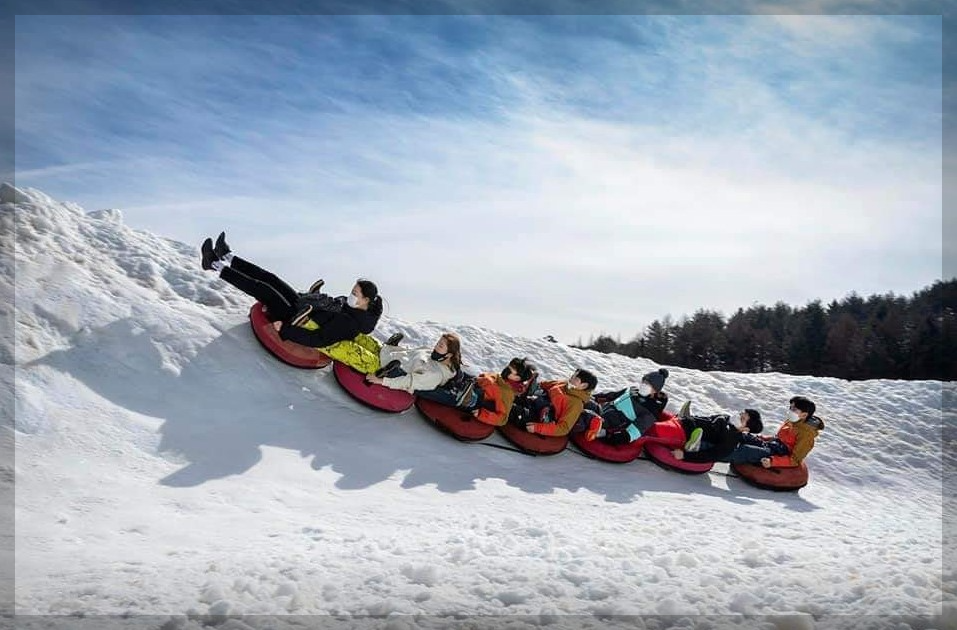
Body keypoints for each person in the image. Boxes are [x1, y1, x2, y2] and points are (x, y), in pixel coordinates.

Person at [200, 232, 383, 349]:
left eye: (355, 293)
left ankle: (214, 265)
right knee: (272, 278)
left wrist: (286, 330)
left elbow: (318, 339)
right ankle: (226, 256)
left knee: (264, 289)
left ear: (365, 301)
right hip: (302, 306)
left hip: (296, 319)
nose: (351, 295)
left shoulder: (350, 324)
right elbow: (326, 307)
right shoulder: (350, 306)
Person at [729, 396, 824, 468]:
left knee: (745, 450)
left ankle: (716, 455)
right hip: (772, 445)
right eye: (790, 407)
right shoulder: (792, 421)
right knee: (743, 436)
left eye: (794, 409)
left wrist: (773, 461)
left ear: (804, 415)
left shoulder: (806, 434)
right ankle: (717, 441)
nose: (790, 411)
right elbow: (779, 438)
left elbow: (795, 459)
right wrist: (764, 438)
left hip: (777, 454)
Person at [509, 368, 598, 437]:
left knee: (513, 410)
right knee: (509, 397)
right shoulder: (563, 384)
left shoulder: (576, 403)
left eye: (575, 378)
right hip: (533, 401)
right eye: (572, 376)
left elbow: (564, 428)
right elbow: (543, 384)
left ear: (583, 386)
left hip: (540, 417)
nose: (571, 378)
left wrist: (537, 428)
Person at [591, 368, 670, 445]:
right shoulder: (632, 391)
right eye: (644, 382)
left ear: (655, 390)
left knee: (587, 417)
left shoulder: (650, 409)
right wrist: (594, 397)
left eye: (648, 384)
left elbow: (636, 430)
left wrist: (614, 437)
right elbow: (612, 395)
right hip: (603, 410)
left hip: (609, 423)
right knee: (588, 404)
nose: (644, 385)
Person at [364, 333, 462, 393]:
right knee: (357, 336)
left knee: (349, 347)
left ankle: (387, 371)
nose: (435, 347)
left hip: (380, 364)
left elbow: (409, 381)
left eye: (440, 346)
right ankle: (391, 346)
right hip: (387, 351)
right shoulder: (432, 354)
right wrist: (394, 348)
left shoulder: (436, 374)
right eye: (437, 343)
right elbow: (410, 353)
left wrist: (381, 381)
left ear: (449, 355)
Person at [670, 404, 764, 463]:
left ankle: (694, 446)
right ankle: (687, 418)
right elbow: (707, 419)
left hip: (692, 435)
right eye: (740, 414)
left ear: (746, 429)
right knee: (697, 421)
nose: (738, 417)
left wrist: (685, 456)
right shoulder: (726, 418)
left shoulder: (731, 440)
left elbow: (713, 455)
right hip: (689, 424)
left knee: (701, 436)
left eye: (742, 419)